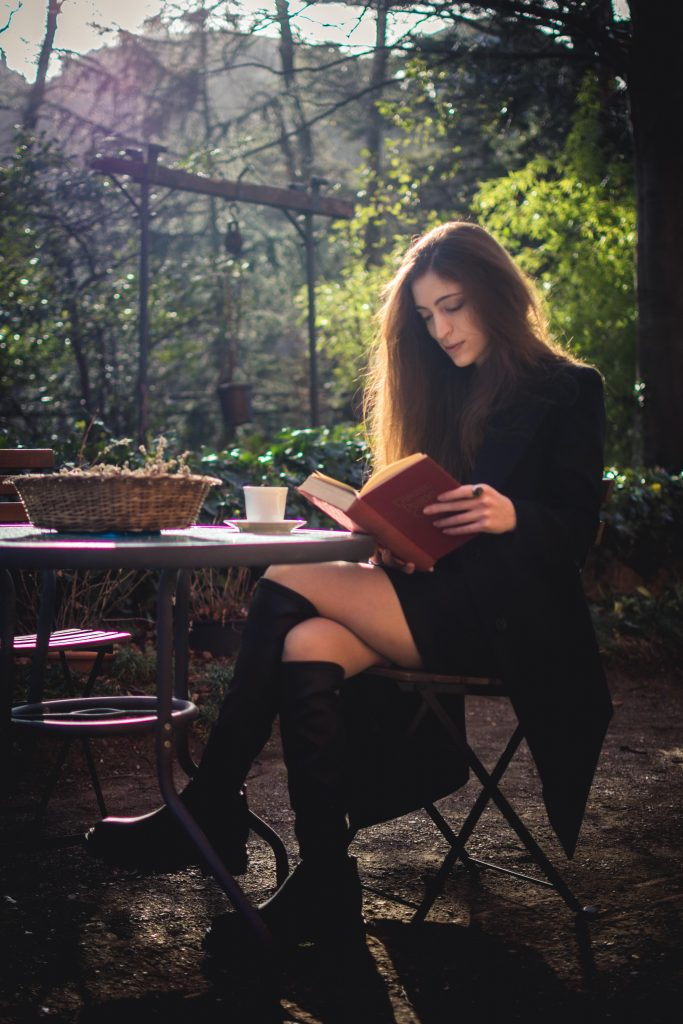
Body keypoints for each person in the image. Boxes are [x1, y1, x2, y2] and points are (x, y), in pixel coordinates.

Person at [85, 221, 612, 950]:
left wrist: (511, 512)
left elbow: (576, 532)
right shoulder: (446, 390)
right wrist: (396, 547)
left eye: (452, 306)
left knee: (286, 577)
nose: (440, 328)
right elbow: (430, 527)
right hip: (438, 601)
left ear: (496, 293)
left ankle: (210, 802)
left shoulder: (568, 388)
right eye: (426, 316)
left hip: (517, 623)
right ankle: (326, 880)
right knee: (305, 641)